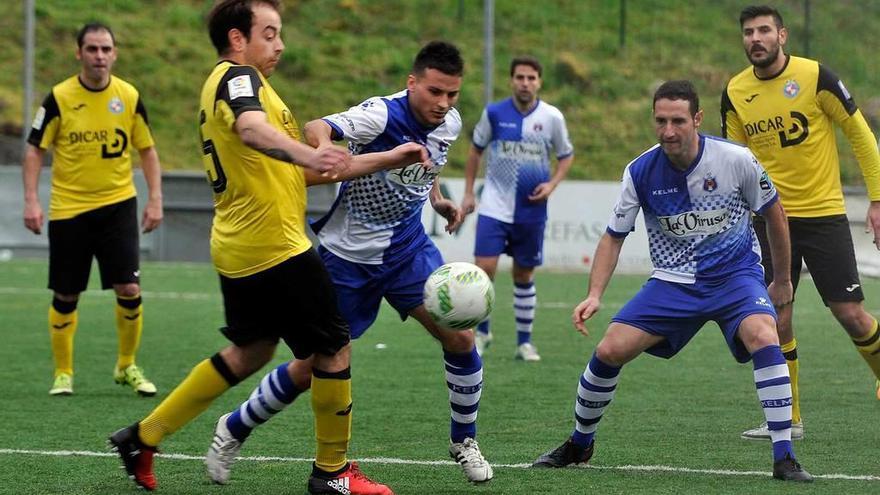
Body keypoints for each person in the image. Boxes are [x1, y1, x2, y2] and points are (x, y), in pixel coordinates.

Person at [106, 2, 425, 493]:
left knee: (250, 351)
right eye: (270, 33)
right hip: (273, 245)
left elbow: (305, 170)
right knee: (333, 347)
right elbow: (253, 131)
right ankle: (333, 473)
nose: (279, 45)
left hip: (241, 243)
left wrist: (386, 158)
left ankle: (143, 436)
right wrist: (308, 149)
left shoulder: (256, 92)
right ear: (238, 39)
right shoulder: (238, 79)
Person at [204, 41, 494, 485]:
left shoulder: (449, 123)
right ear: (412, 82)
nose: (443, 103)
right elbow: (316, 127)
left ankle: (464, 440)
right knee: (310, 369)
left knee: (460, 337)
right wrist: (325, 147)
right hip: (347, 260)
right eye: (435, 92)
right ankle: (234, 427)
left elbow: (427, 166)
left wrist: (437, 199)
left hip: (407, 251)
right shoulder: (380, 114)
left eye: (452, 94)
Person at [531, 80, 813, 482]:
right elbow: (613, 235)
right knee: (610, 349)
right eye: (660, 121)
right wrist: (594, 293)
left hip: (736, 277)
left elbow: (775, 214)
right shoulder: (641, 170)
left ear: (697, 119)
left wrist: (782, 279)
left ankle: (784, 456)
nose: (668, 131)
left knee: (764, 335)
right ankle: (580, 442)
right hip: (673, 282)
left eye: (678, 121)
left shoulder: (736, 159)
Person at [721, 5, 880, 441]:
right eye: (749, 32)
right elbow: (735, 164)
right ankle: (789, 418)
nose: (756, 38)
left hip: (824, 215)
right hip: (769, 221)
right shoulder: (735, 91)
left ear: (782, 35)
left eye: (764, 31)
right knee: (777, 318)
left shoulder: (815, 77)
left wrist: (877, 199)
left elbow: (861, 136)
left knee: (850, 313)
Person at [23, 22, 164, 397]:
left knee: (129, 286)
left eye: (105, 49)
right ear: (79, 53)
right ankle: (63, 373)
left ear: (115, 54)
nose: (99, 56)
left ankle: (126, 364)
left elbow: (147, 149)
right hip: (69, 209)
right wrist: (32, 200)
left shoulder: (129, 96)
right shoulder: (58, 97)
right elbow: (35, 149)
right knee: (67, 294)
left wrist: (155, 198)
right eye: (92, 49)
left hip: (117, 204)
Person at [460, 56, 574, 361]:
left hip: (531, 210)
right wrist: (469, 193)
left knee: (523, 275)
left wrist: (551, 185)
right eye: (520, 77)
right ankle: (482, 334)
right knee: (484, 270)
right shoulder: (494, 113)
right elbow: (475, 151)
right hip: (494, 206)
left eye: (531, 78)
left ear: (539, 82)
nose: (525, 83)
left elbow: (566, 156)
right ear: (511, 80)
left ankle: (525, 343)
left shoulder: (552, 117)